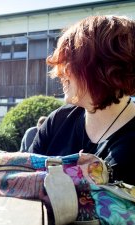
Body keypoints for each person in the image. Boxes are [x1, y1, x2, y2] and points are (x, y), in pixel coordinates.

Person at [29, 15, 135, 185]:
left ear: (105, 68)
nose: (62, 72)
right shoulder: (57, 121)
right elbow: (25, 180)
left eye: (71, 63)